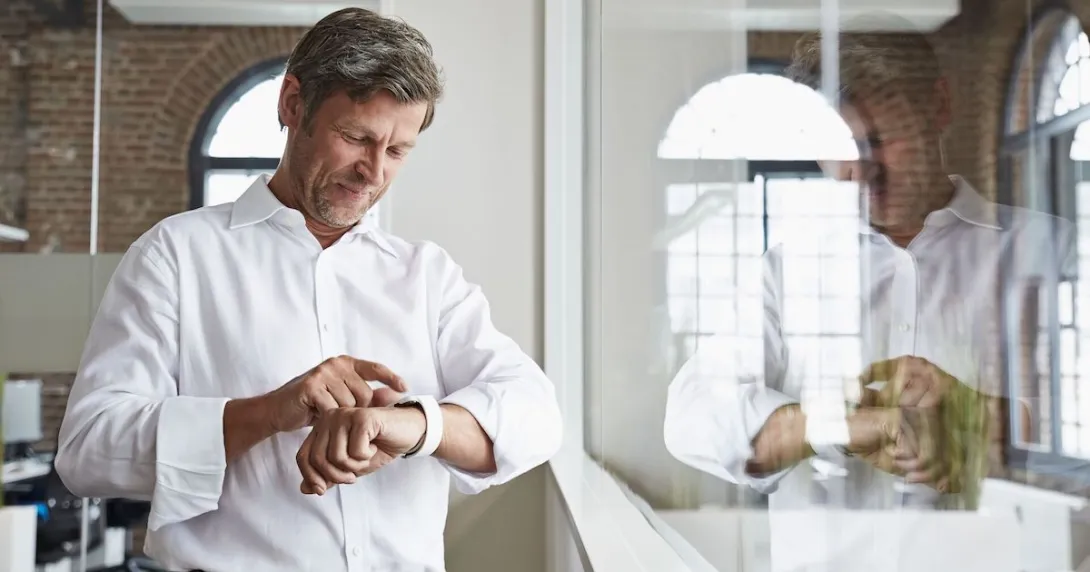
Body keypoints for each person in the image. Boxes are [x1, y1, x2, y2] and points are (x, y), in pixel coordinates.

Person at [54, 8, 563, 572]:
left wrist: (410, 424)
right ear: (292, 104)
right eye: (356, 138)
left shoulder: (427, 276)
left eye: (397, 151)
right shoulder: (175, 256)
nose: (374, 172)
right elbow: (86, 451)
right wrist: (268, 412)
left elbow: (536, 416)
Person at [663, 24, 1073, 572]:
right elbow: (690, 416)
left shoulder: (1050, 250)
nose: (858, 168)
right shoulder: (786, 272)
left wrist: (983, 423)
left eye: (879, 138)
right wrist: (830, 427)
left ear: (939, 107)